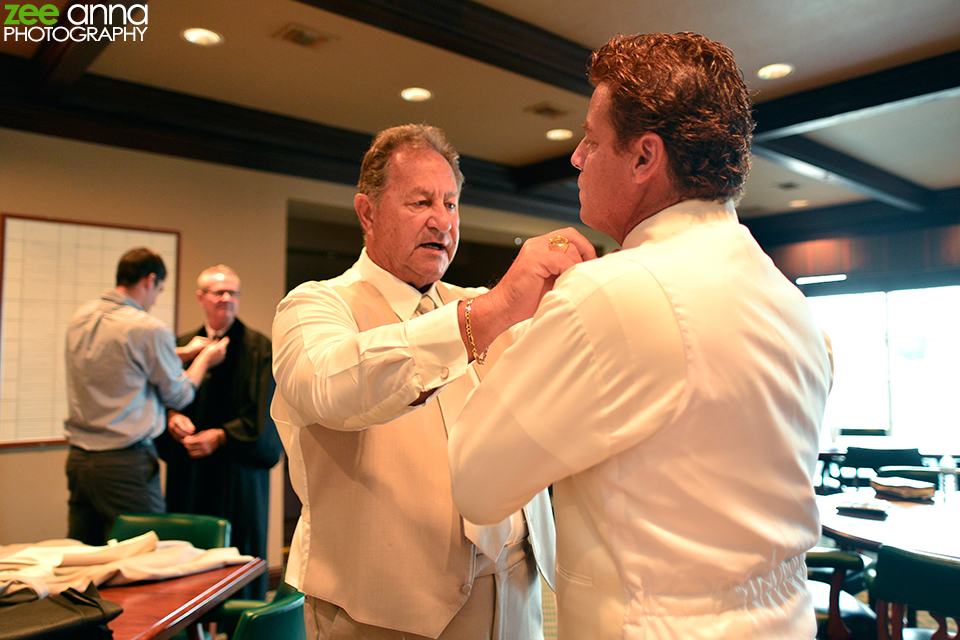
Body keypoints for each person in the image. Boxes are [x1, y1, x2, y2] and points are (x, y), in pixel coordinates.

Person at [447, 33, 833, 640]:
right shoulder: (792, 305)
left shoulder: (607, 295)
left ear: (644, 157)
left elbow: (476, 481)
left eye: (592, 139)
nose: (577, 157)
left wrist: (520, 326)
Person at [272, 123, 595, 640]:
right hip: (381, 614)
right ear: (367, 213)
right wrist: (492, 310)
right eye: (420, 202)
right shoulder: (315, 306)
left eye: (450, 204)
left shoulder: (479, 304)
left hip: (519, 593)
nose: (442, 221)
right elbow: (332, 386)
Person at [64, 247, 229, 546]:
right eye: (159, 290)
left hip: (80, 462)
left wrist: (182, 352)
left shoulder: (81, 317)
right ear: (150, 280)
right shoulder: (147, 328)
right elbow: (179, 395)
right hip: (125, 464)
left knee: (87, 555)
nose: (154, 299)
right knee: (144, 555)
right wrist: (205, 359)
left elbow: (120, 361)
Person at [159, 265, 281, 599]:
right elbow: (160, 398)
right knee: (187, 558)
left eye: (233, 292)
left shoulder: (259, 349)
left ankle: (239, 621)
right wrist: (171, 417)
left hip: (237, 474)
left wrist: (221, 436)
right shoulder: (182, 346)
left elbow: (264, 414)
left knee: (238, 551)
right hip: (190, 472)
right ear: (202, 298)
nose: (226, 298)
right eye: (218, 292)